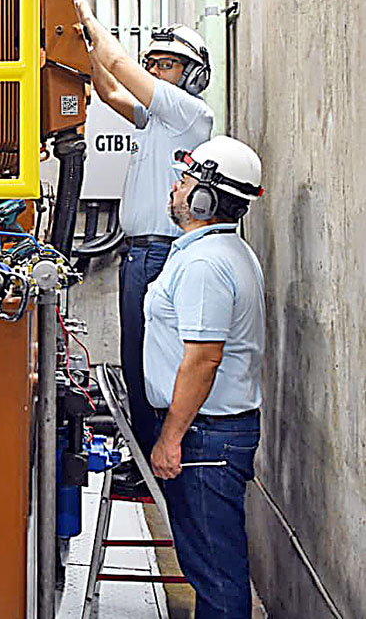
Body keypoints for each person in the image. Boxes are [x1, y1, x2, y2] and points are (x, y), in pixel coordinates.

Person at [76, 2, 214, 453]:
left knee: (151, 362)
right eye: (151, 63)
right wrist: (86, 47)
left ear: (193, 76)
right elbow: (109, 91)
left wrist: (88, 19)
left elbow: (119, 65)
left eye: (165, 64)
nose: (154, 71)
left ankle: (158, 452)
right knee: (134, 359)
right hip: (138, 253)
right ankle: (143, 452)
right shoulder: (158, 116)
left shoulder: (188, 112)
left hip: (158, 253)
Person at [145, 135, 266, 618]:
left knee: (216, 574)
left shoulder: (205, 264)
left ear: (204, 199)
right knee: (211, 566)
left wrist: (170, 438)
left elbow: (203, 360)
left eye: (186, 180)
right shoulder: (217, 252)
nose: (176, 187)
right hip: (209, 433)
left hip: (204, 437)